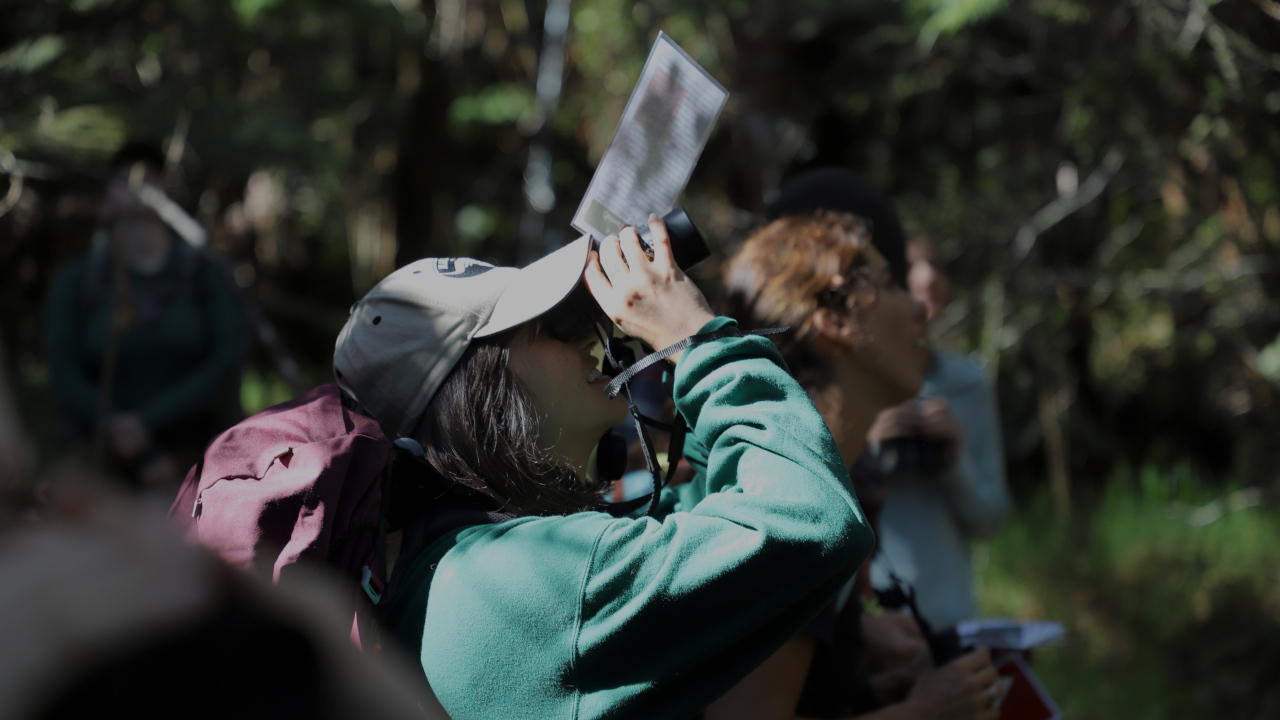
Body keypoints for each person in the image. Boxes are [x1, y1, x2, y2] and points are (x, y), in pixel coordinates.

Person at [332, 215, 874, 720]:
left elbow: (707, 519)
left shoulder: (459, 568)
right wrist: (699, 343)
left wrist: (673, 356)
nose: (593, 337)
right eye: (552, 327)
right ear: (474, 388)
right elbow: (811, 516)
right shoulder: (525, 582)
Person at [704, 210, 1002, 720]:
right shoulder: (798, 510)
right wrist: (923, 713)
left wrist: (883, 689)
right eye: (889, 285)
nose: (919, 309)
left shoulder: (814, 482)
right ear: (834, 322)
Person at [43, 142, 249, 491]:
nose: (138, 186)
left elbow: (226, 362)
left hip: (199, 461)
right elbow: (64, 375)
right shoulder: (80, 281)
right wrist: (139, 446)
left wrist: (148, 422)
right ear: (105, 201)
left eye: (150, 177)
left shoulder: (206, 273)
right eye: (123, 178)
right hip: (102, 463)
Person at [867, 234, 1011, 629]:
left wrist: (954, 458)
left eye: (937, 266)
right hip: (874, 619)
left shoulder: (969, 386)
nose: (929, 278)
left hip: (951, 619)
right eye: (912, 267)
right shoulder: (855, 381)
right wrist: (866, 446)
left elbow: (991, 521)